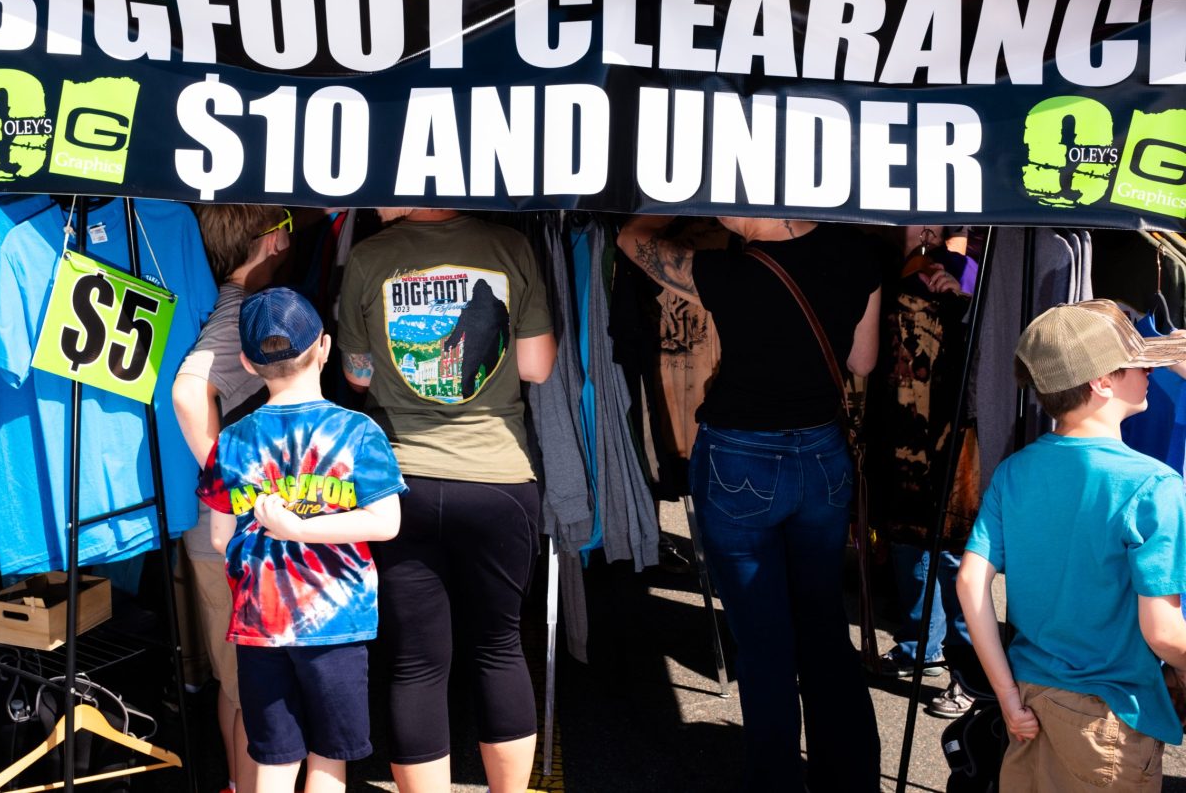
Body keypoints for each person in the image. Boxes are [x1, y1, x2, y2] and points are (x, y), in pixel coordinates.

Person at [617, 214, 882, 792]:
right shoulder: (857, 249)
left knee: (764, 646)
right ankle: (852, 783)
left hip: (741, 457)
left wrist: (671, 197)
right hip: (822, 452)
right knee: (824, 628)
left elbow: (630, 239)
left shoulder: (725, 271)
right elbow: (861, 361)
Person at [337, 208, 556, 793]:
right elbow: (537, 365)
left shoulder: (368, 257)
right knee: (499, 647)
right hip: (497, 478)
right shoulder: (510, 246)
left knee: (415, 661)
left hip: (399, 482)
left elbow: (357, 377)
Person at [958, 299, 1186, 789]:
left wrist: (1006, 696)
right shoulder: (1155, 486)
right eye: (1138, 362)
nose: (1150, 369)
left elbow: (969, 580)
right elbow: (1163, 631)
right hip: (1109, 722)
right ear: (1102, 382)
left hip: (1029, 705)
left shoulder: (1014, 471)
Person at [198, 287, 405, 793]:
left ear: (247, 362)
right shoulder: (358, 431)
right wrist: (305, 530)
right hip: (335, 626)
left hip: (259, 626)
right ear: (326, 347)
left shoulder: (230, 440)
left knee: (275, 759)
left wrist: (283, 531)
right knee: (329, 758)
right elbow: (386, 522)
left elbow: (223, 535)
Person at [172, 204, 293, 793]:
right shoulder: (238, 310)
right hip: (234, 531)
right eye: (289, 227)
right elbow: (191, 394)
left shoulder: (215, 300)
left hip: (211, 528)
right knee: (256, 687)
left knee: (234, 682)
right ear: (271, 240)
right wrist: (232, 486)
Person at [869, 225, 981, 721]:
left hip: (951, 435)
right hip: (897, 431)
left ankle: (972, 675)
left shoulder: (969, 272)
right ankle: (920, 644)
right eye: (916, 219)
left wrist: (960, 301)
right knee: (906, 542)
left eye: (936, 218)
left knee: (956, 555)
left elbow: (989, 352)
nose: (927, 230)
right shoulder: (879, 271)